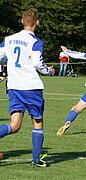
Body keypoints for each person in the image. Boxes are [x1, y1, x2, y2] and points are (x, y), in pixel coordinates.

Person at [0, 8, 53, 167]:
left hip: (14, 87)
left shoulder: (8, 39)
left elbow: (1, 57)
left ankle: (36, 159)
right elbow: (38, 63)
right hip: (31, 87)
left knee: (15, 125)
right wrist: (49, 70)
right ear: (37, 22)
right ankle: (36, 160)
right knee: (37, 122)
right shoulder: (36, 42)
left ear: (22, 21)